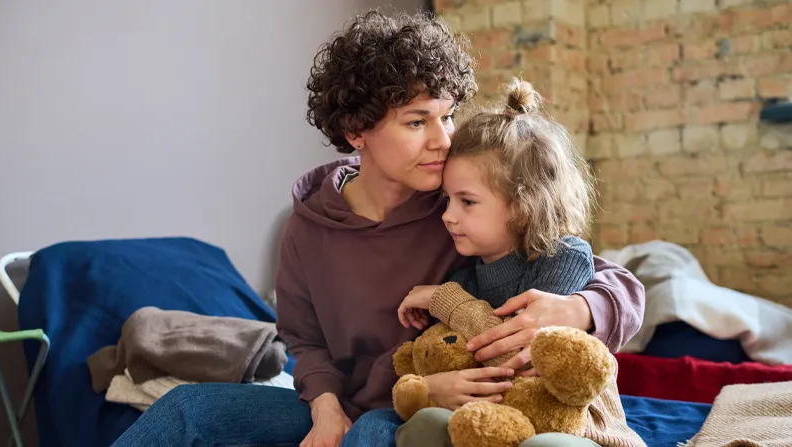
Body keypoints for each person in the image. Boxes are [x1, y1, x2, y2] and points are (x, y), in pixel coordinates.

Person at [111, 10, 644, 447]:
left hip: (420, 408)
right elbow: (303, 338)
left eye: (448, 115)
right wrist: (323, 406)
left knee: (372, 433)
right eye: (418, 121)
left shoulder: (461, 208)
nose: (443, 139)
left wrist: (578, 310)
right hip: (349, 405)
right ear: (356, 131)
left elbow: (606, 278)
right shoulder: (307, 228)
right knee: (187, 407)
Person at [393, 79, 640, 447]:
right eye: (447, 200)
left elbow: (517, 353)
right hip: (494, 419)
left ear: (524, 209)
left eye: (467, 202)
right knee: (424, 423)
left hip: (575, 426)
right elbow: (455, 358)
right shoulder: (464, 278)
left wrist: (444, 300)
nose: (448, 216)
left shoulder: (563, 257)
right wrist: (428, 386)